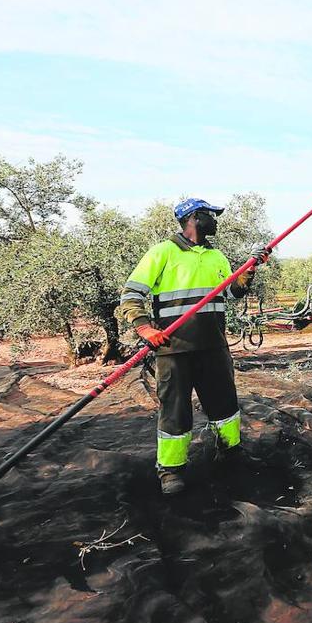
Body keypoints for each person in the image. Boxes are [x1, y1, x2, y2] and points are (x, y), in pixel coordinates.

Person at [117, 198, 269, 495]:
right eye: (212, 215)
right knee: (175, 410)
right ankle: (171, 470)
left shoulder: (217, 257)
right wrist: (144, 327)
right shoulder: (162, 252)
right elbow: (131, 294)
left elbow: (234, 291)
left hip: (213, 345)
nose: (216, 220)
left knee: (224, 405)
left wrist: (250, 267)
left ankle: (229, 451)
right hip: (174, 348)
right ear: (194, 218)